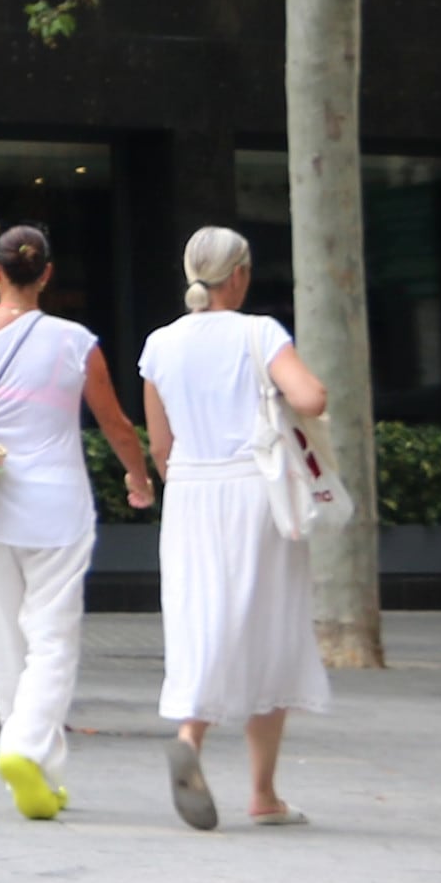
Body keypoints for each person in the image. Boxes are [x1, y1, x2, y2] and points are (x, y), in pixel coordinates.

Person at [0, 221, 156, 820]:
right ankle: (24, 749)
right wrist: (139, 478)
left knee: (3, 638)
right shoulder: (75, 342)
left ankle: (39, 768)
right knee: (53, 639)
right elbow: (116, 423)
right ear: (46, 274)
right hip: (58, 508)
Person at [139, 225, 331, 832]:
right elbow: (312, 399)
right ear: (240, 274)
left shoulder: (160, 345)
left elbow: (161, 449)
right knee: (265, 623)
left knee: (206, 616)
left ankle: (192, 738)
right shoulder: (260, 333)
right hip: (255, 491)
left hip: (191, 494)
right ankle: (262, 793)